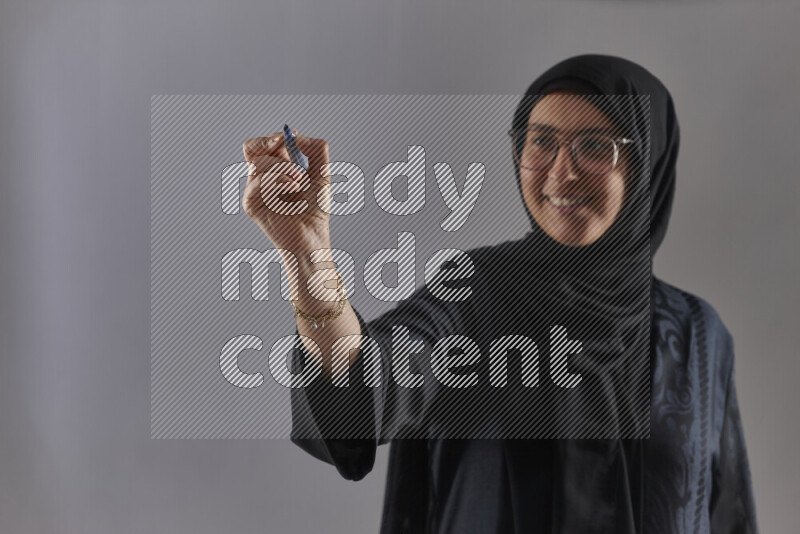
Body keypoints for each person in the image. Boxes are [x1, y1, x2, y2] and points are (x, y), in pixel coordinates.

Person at [241, 54, 759, 533]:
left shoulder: (695, 332)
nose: (561, 171)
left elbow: (728, 514)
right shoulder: (476, 293)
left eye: (596, 146)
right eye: (541, 141)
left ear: (648, 164)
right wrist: (309, 257)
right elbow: (365, 386)